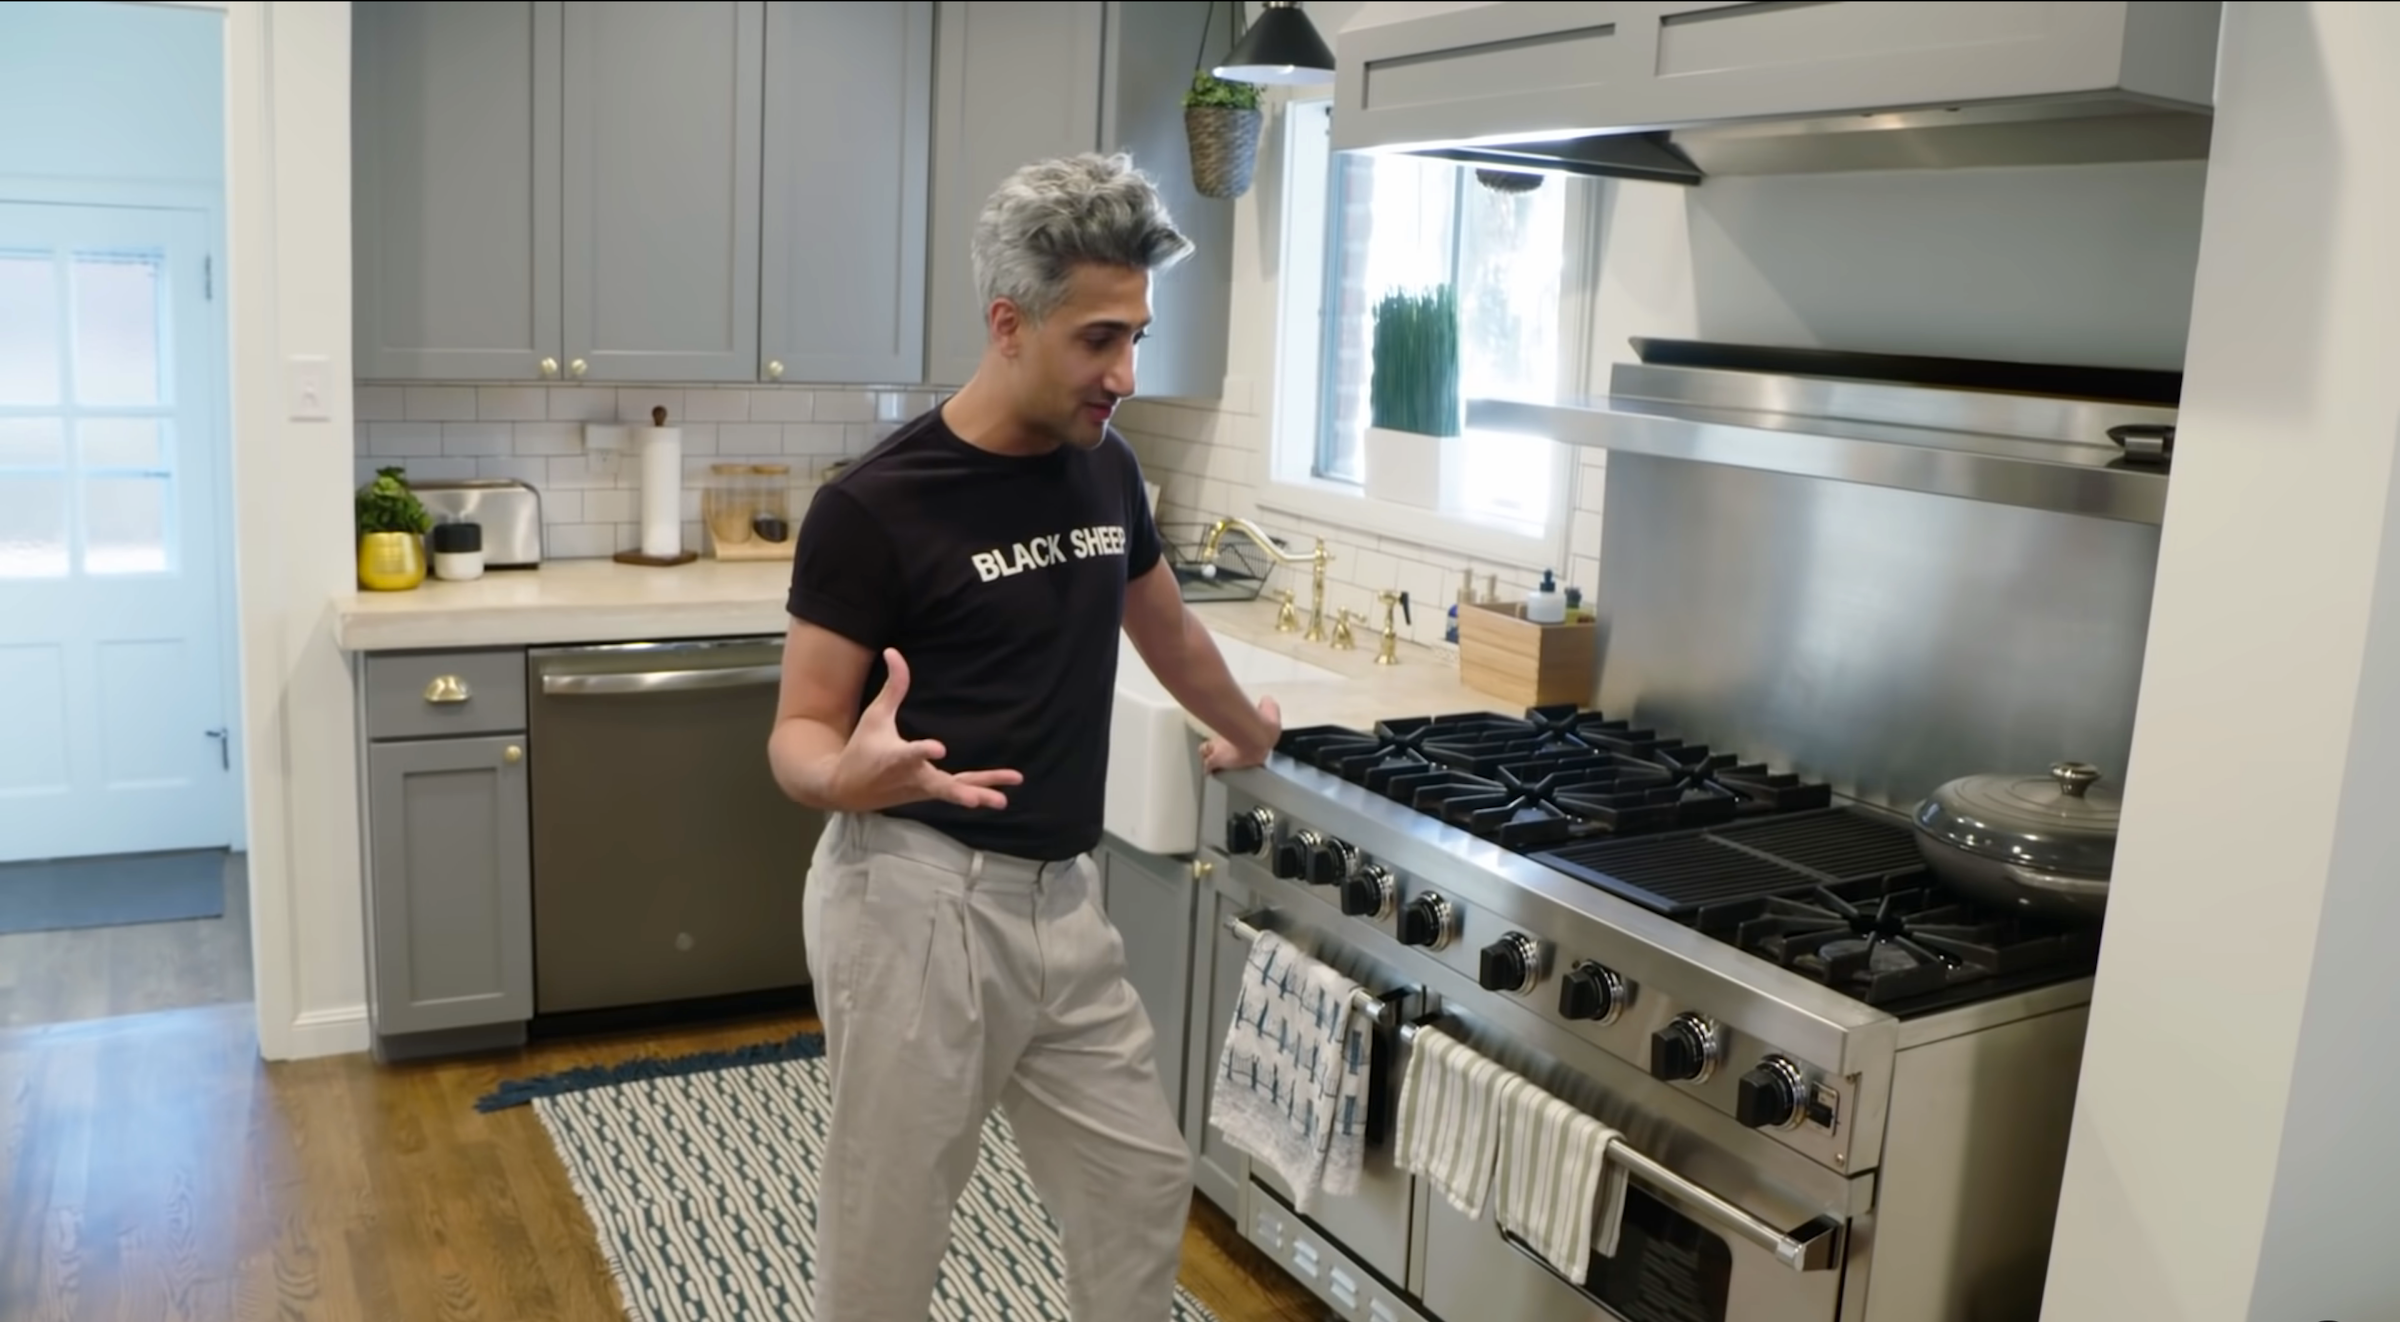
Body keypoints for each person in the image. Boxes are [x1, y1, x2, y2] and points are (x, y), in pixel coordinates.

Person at [767, 152, 1285, 1322]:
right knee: (890, 1226)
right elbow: (798, 728)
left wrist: (1246, 726)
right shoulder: (875, 506)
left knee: (1140, 1181)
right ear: (1010, 323)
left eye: (1138, 334)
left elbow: (1166, 628)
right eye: (1100, 339)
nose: (1127, 372)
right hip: (913, 899)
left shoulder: (1106, 468)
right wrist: (845, 774)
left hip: (1064, 897)